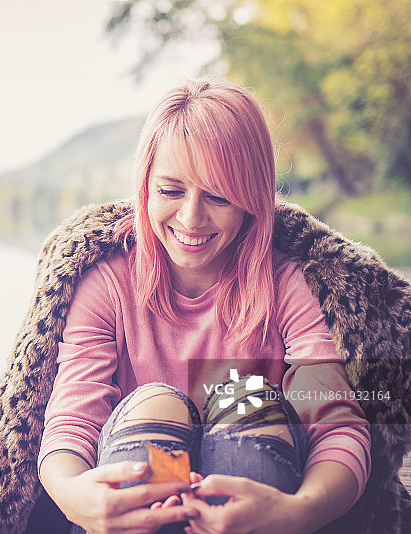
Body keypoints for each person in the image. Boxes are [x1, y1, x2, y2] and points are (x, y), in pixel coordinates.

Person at [36, 79, 371, 534]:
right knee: (157, 406)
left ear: (253, 201)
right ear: (145, 187)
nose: (191, 218)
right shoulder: (106, 281)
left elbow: (337, 426)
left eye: (218, 196)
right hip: (140, 508)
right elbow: (71, 422)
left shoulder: (288, 285)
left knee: (244, 399)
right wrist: (75, 497)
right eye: (171, 191)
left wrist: (296, 513)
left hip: (254, 503)